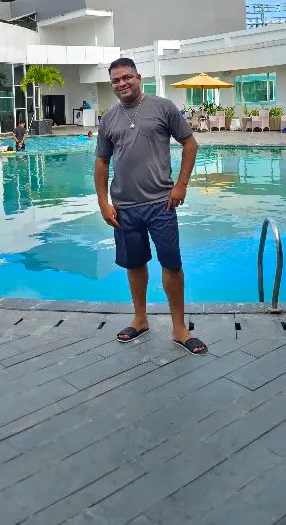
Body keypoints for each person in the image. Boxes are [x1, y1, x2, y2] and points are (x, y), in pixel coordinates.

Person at [95, 57, 208, 356]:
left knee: (171, 264)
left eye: (126, 77)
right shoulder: (108, 118)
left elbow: (190, 144)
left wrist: (181, 185)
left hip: (161, 204)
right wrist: (103, 203)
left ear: (138, 77)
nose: (122, 84)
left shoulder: (163, 107)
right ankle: (140, 319)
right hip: (124, 207)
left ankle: (179, 329)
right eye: (116, 80)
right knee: (134, 264)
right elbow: (101, 162)